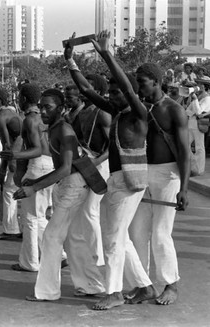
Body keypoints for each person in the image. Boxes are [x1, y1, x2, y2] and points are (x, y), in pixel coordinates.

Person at [84, 30, 157, 310]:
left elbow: (127, 89)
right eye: (111, 92)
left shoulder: (139, 112)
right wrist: (71, 63)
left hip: (128, 182)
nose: (112, 96)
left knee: (113, 239)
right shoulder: (118, 113)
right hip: (116, 181)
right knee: (119, 237)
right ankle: (145, 286)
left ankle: (114, 292)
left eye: (116, 92)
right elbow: (87, 92)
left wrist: (106, 54)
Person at [17, 88, 95, 302]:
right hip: (68, 185)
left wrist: (35, 187)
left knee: (51, 237)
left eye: (47, 107)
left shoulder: (64, 130)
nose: (42, 111)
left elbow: (66, 168)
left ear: (61, 108)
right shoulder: (54, 128)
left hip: (74, 185)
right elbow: (60, 168)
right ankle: (91, 285)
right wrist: (35, 182)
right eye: (41, 106)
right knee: (73, 239)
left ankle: (47, 292)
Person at [130, 60, 191, 305]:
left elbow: (185, 151)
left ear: (156, 81)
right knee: (136, 232)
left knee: (160, 233)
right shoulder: (142, 107)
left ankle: (170, 284)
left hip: (168, 175)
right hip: (143, 172)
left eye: (142, 83)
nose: (139, 87)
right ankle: (143, 285)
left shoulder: (173, 109)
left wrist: (184, 189)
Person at [64, 42, 112, 268]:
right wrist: (70, 60)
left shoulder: (102, 113)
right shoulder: (84, 112)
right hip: (87, 163)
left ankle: (97, 258)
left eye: (90, 87)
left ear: (99, 91)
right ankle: (86, 253)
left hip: (98, 165)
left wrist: (96, 161)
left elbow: (113, 145)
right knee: (84, 212)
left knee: (91, 212)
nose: (84, 89)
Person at [0, 83, 54, 272]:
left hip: (38, 166)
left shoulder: (30, 120)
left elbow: (36, 149)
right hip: (49, 165)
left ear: (23, 99)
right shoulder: (45, 118)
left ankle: (30, 262)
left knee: (30, 218)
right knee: (38, 217)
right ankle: (57, 254)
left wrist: (14, 156)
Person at [0, 89, 23, 240]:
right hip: (21, 149)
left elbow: (7, 144)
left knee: (9, 191)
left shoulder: (0, 116)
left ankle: (11, 230)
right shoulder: (11, 112)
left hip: (16, 150)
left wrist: (4, 168)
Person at [184, 77, 210, 175]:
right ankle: (193, 166)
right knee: (186, 145)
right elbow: (188, 111)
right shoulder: (198, 96)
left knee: (199, 147)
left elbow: (198, 112)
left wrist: (194, 100)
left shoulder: (207, 98)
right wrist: (194, 101)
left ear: (204, 86)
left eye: (200, 84)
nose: (198, 86)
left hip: (199, 124)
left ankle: (199, 170)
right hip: (191, 123)